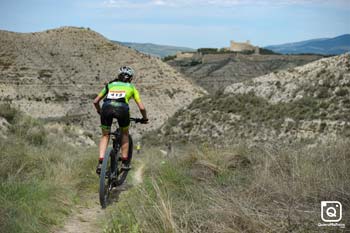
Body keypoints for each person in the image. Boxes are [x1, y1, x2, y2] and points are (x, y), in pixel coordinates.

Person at [93, 66, 148, 174]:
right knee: (124, 134)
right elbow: (141, 108)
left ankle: (100, 162)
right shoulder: (131, 88)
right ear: (131, 78)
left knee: (105, 135)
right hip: (122, 110)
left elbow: (95, 101)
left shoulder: (109, 85)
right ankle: (124, 162)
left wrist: (100, 111)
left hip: (106, 108)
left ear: (118, 76)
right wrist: (144, 118)